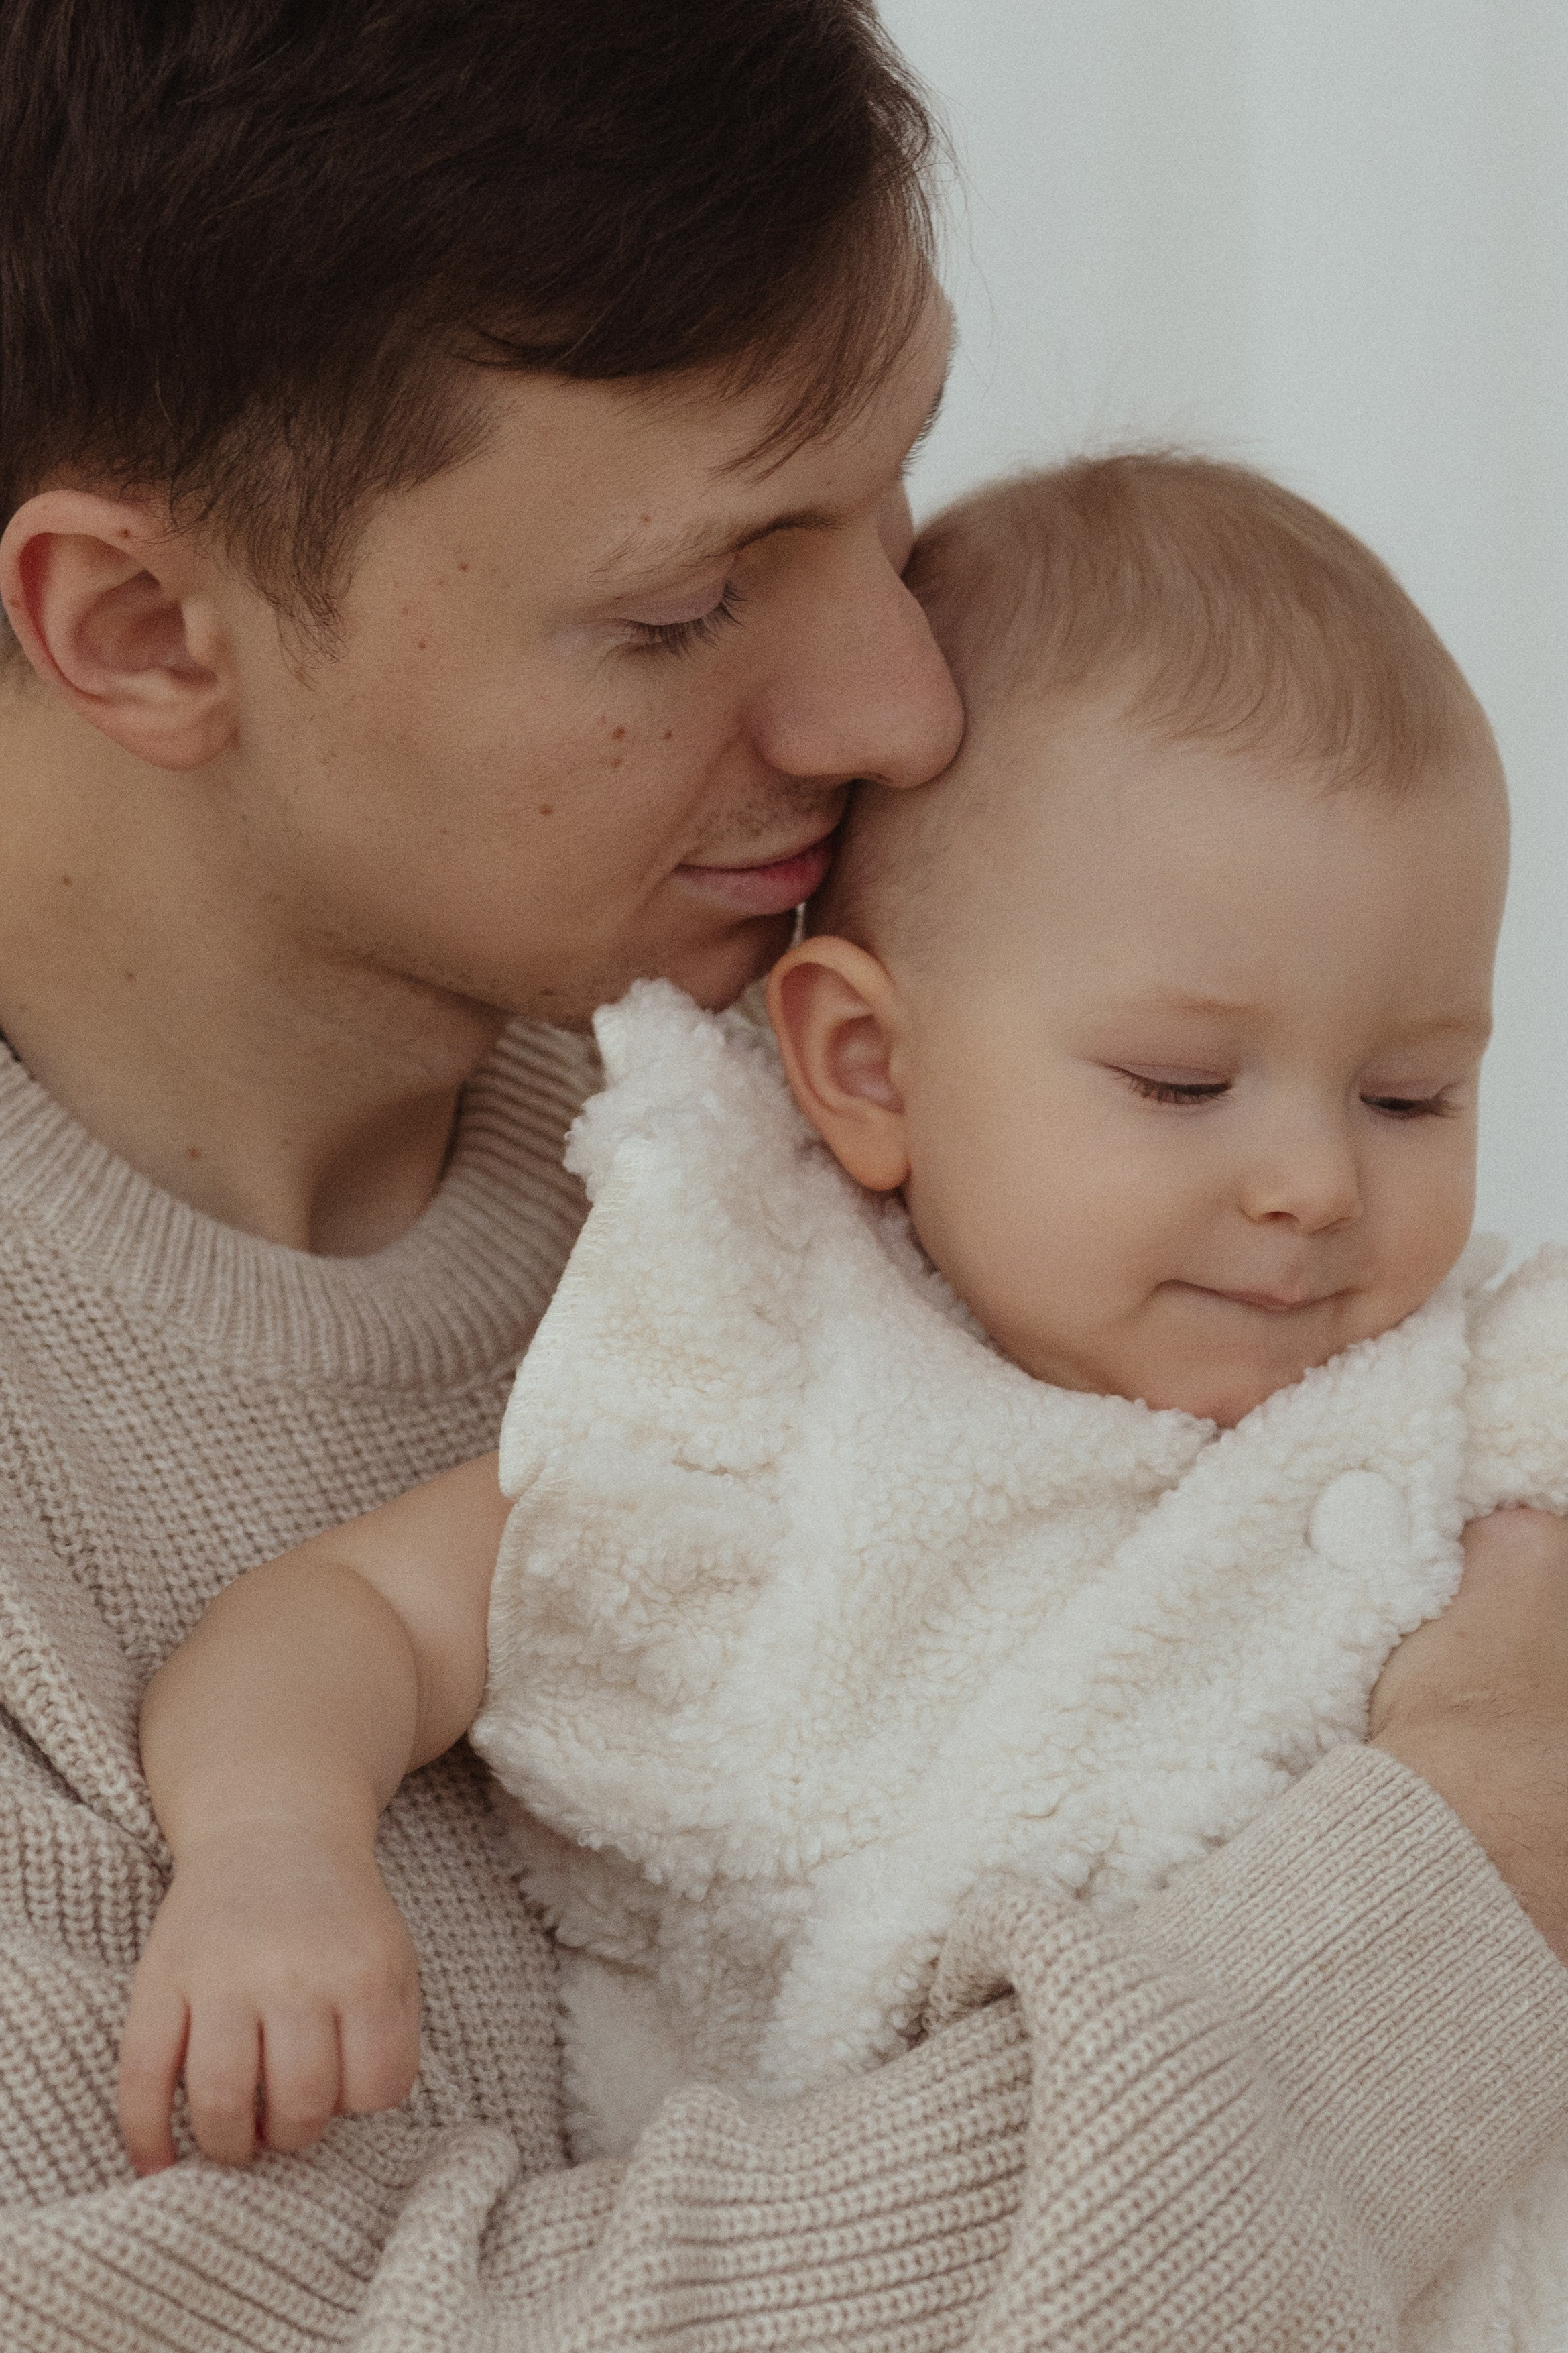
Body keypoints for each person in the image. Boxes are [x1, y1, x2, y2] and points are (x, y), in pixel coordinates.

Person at [0, 3, 1565, 2345]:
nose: (903, 712)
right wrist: (1467, 1878)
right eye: (679, 606)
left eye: (891, 487)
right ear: (137, 631)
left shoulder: (904, 1076)